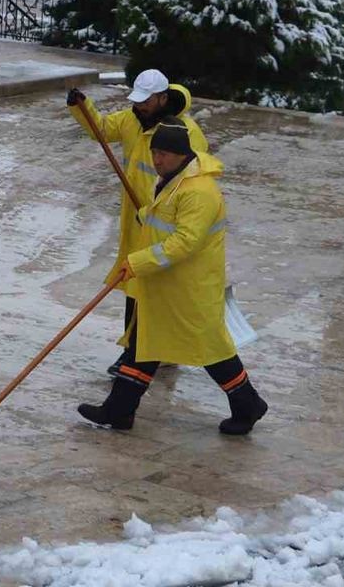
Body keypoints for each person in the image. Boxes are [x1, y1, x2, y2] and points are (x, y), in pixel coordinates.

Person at [76, 116, 268, 436]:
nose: (157, 160)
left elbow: (185, 242)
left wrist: (138, 262)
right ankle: (119, 410)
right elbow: (163, 219)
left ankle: (248, 404)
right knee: (145, 346)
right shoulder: (173, 179)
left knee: (211, 350)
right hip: (167, 284)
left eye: (163, 154)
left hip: (190, 288)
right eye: (154, 153)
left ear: (182, 154)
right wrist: (144, 217)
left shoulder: (199, 192)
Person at [67, 70, 208, 377]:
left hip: (166, 222)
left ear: (162, 98)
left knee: (154, 285)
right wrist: (82, 107)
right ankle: (143, 351)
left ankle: (138, 354)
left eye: (146, 102)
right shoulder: (132, 120)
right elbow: (101, 129)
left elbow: (197, 173)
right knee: (136, 282)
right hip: (136, 219)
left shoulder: (183, 130)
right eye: (138, 101)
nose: (140, 107)